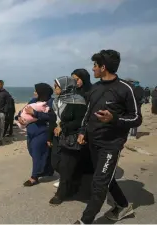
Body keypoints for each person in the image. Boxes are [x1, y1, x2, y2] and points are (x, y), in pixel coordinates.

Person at [75, 49, 141, 224]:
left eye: (95, 65)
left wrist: (115, 119)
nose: (93, 69)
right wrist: (82, 131)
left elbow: (136, 118)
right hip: (93, 142)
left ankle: (85, 221)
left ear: (103, 67)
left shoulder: (126, 89)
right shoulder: (94, 89)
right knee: (107, 177)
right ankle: (123, 205)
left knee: (99, 183)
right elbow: (88, 113)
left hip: (111, 144)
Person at [49, 76, 87, 206]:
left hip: (71, 137)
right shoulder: (56, 101)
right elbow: (53, 119)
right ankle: (72, 182)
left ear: (66, 87)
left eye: (57, 86)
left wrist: (63, 127)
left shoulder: (78, 101)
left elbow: (80, 121)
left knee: (65, 166)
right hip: (57, 137)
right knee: (55, 162)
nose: (55, 89)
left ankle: (61, 194)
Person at [15, 83, 56, 187]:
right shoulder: (33, 101)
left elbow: (52, 117)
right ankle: (48, 170)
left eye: (36, 91)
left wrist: (35, 113)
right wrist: (18, 117)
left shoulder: (51, 103)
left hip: (42, 132)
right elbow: (22, 111)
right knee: (32, 151)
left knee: (37, 152)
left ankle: (34, 177)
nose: (34, 93)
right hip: (30, 132)